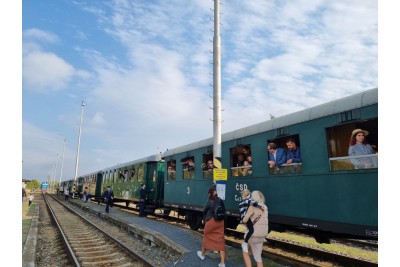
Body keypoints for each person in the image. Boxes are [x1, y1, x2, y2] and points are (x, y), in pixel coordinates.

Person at [197, 187, 226, 267]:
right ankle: (222, 263)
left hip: (211, 222)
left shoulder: (209, 201)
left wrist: (204, 219)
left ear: (210, 193)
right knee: (220, 240)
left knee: (206, 237)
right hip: (220, 222)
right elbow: (224, 211)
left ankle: (202, 255)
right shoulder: (220, 200)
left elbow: (204, 211)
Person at [242, 191, 269, 267]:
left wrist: (244, 221)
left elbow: (245, 219)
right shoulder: (265, 207)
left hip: (252, 235)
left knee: (245, 251)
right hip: (262, 236)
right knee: (258, 258)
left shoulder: (252, 206)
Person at [239, 189, 264, 253]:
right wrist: (261, 207)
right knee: (252, 230)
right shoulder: (248, 201)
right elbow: (254, 203)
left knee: (250, 230)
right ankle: (245, 243)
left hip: (244, 218)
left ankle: (249, 247)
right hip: (246, 218)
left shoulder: (242, 202)